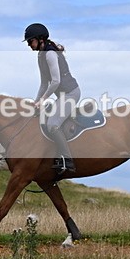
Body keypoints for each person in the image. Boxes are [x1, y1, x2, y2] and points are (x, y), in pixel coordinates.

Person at [24, 23, 80, 173]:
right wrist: (37, 102)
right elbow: (44, 83)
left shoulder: (50, 54)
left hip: (70, 93)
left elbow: (56, 81)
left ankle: (67, 160)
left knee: (53, 125)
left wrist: (44, 99)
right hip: (61, 95)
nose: (29, 45)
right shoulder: (41, 55)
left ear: (40, 39)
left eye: (30, 41)